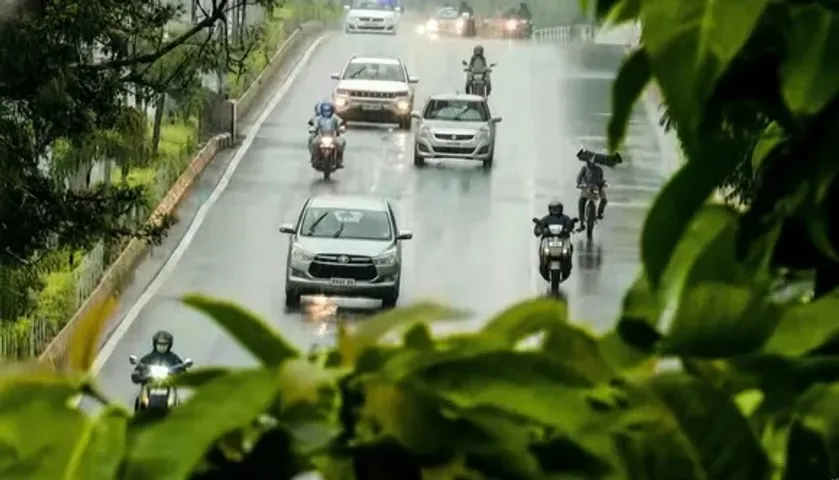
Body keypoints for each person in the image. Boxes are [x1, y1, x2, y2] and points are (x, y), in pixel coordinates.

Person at [533, 200, 576, 278]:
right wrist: (539, 229)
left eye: (557, 209)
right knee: (543, 250)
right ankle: (543, 263)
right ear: (549, 209)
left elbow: (570, 225)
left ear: (561, 209)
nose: (555, 210)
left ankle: (568, 264)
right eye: (553, 209)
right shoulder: (546, 219)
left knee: (570, 248)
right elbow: (539, 227)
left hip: (562, 240)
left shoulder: (565, 218)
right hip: (548, 241)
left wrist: (569, 227)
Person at [575, 149, 609, 229]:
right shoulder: (584, 168)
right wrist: (579, 183)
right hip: (586, 187)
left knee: (604, 200)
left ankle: (600, 213)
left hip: (596, 187)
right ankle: (581, 222)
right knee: (581, 202)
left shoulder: (599, 170)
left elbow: (601, 179)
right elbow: (579, 177)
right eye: (589, 161)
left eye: (591, 161)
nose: (590, 163)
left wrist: (602, 183)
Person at [308, 101, 346, 168]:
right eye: (325, 111)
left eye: (328, 110)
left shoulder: (335, 118)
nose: (327, 112)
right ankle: (314, 158)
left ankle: (339, 160)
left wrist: (341, 128)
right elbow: (314, 125)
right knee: (314, 143)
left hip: (333, 136)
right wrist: (313, 129)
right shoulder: (318, 118)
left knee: (341, 142)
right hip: (321, 136)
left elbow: (340, 123)